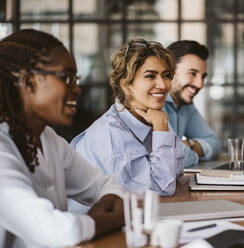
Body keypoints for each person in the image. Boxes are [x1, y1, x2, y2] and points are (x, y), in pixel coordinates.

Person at [0, 29, 125, 248]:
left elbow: (108, 186)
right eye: (66, 78)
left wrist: (92, 220)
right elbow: (55, 232)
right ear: (28, 82)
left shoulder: (49, 139)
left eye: (76, 79)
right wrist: (111, 219)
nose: (77, 89)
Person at [71, 39, 184, 196]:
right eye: (150, 76)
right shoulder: (111, 133)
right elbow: (162, 188)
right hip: (93, 218)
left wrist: (160, 127)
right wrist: (162, 130)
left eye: (166, 76)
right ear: (126, 85)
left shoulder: (153, 116)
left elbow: (176, 171)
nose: (163, 85)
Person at [164, 40, 221, 167]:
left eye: (203, 76)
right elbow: (173, 157)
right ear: (169, 71)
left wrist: (189, 144)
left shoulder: (185, 105)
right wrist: (187, 152)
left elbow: (215, 144)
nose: (200, 84)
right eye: (192, 73)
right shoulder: (154, 102)